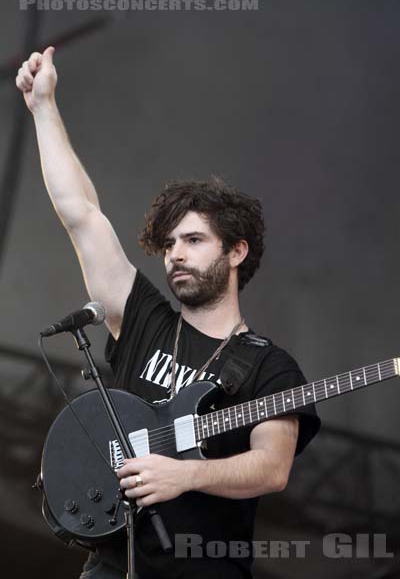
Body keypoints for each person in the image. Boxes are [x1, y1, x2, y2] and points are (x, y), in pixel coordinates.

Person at [16, 47, 320, 579]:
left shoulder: (272, 368)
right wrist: (43, 107)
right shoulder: (144, 320)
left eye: (195, 240)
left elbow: (272, 468)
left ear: (237, 252)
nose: (175, 252)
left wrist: (184, 476)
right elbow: (82, 215)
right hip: (113, 563)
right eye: (170, 242)